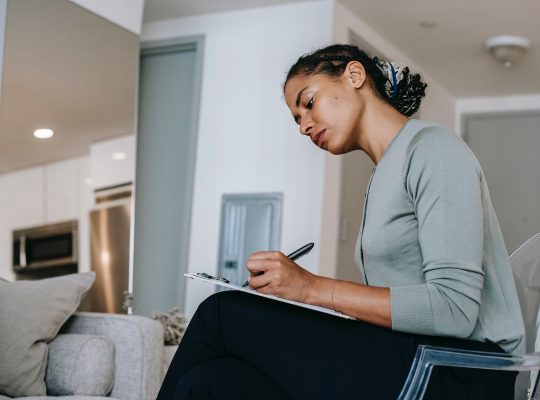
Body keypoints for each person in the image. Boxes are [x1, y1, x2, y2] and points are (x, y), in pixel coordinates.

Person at [157, 44, 525, 400]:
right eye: (297, 119)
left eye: (309, 102)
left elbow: (455, 310)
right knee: (209, 382)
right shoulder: (383, 175)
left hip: (460, 373)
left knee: (220, 313)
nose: (303, 126)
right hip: (411, 358)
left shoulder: (434, 149)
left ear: (354, 74)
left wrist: (310, 288)